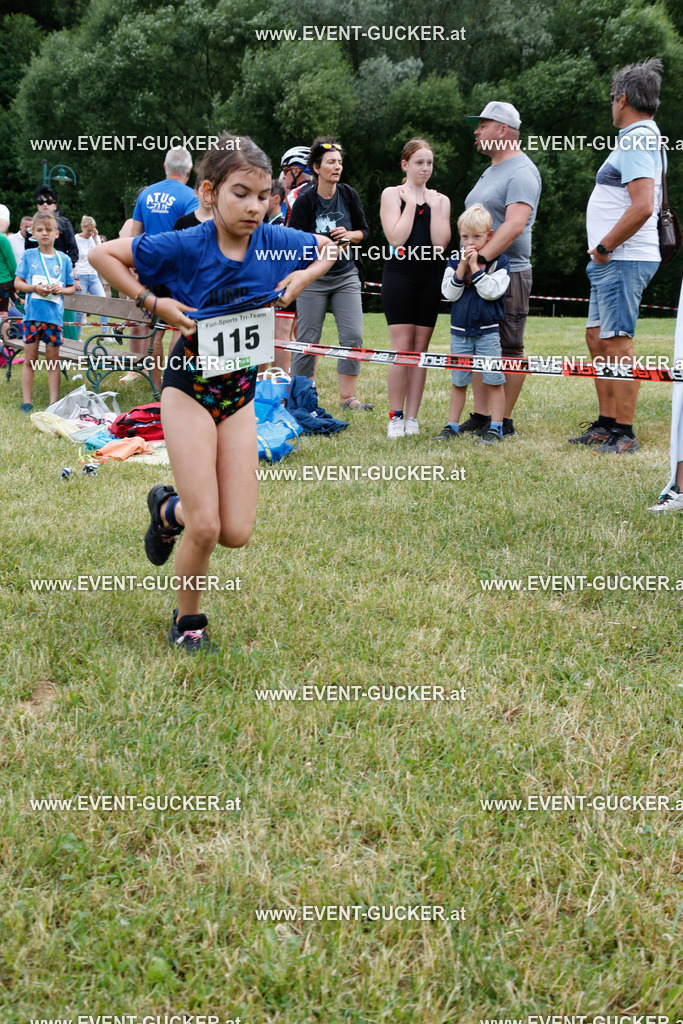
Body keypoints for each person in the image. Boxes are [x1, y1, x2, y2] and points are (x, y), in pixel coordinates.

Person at [89, 133, 337, 654]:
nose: (255, 206)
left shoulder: (275, 239)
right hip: (189, 391)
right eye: (241, 193)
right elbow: (101, 256)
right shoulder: (184, 244)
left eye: (264, 195)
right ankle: (189, 621)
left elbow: (328, 249)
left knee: (236, 531)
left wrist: (302, 277)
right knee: (205, 526)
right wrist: (153, 304)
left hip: (240, 397)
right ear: (209, 191)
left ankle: (166, 510)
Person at [570, 58, 664, 454]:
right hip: (613, 260)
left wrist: (605, 246)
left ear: (621, 98)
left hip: (622, 259)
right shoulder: (638, 136)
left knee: (618, 343)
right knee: (597, 339)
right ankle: (607, 424)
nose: (612, 105)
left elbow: (642, 206)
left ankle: (625, 434)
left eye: (612, 98)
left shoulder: (637, 138)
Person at [461, 101, 541, 439]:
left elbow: (515, 225)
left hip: (508, 273)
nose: (476, 132)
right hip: (480, 272)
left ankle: (503, 421)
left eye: (483, 125)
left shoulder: (521, 171)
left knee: (508, 346)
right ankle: (482, 416)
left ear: (503, 130)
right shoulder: (492, 169)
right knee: (481, 341)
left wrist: (479, 261)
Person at [288, 136, 372, 411]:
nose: (337, 167)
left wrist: (350, 235)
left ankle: (348, 398)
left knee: (353, 335)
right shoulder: (304, 200)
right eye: (331, 162)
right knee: (308, 338)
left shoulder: (348, 194)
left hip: (345, 274)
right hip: (313, 276)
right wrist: (322, 240)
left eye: (339, 162)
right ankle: (302, 397)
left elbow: (365, 232)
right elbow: (295, 239)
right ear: (316, 167)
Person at [380, 138, 451, 437]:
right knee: (402, 348)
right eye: (419, 162)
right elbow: (396, 238)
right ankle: (395, 416)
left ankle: (412, 417)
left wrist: (432, 207)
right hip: (399, 275)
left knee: (420, 350)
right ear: (405, 164)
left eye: (430, 163)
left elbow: (439, 245)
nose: (425, 168)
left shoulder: (441, 200)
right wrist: (411, 203)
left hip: (429, 276)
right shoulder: (391, 195)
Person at [435, 204, 510, 445]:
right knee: (458, 381)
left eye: (477, 236)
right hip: (460, 333)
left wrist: (476, 268)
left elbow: (492, 292)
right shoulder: (454, 261)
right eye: (465, 236)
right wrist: (461, 269)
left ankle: (496, 427)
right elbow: (449, 294)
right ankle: (452, 425)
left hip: (487, 332)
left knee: (493, 380)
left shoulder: (501, 262)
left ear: (489, 235)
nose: (470, 242)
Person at [14, 210, 76, 413]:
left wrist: (61, 289)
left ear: (57, 233)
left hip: (53, 318)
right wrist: (34, 288)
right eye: (39, 230)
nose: (44, 233)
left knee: (52, 361)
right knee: (30, 360)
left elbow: (71, 287)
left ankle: (53, 402)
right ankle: (27, 401)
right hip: (32, 316)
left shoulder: (64, 259)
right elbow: (18, 283)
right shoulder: (29, 255)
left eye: (49, 230)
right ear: (32, 233)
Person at [74, 216, 108, 336]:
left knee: (104, 301)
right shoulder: (75, 239)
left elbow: (100, 254)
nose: (90, 233)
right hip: (80, 274)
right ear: (82, 227)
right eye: (88, 230)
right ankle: (77, 334)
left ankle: (105, 334)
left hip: (93, 276)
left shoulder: (95, 238)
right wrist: (75, 278)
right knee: (79, 308)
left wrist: (95, 239)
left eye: (92, 230)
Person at [0, 229, 17, 314]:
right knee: (3, 315)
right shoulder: (2, 238)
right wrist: (16, 281)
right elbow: (11, 263)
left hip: (3, 283)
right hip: (3, 282)